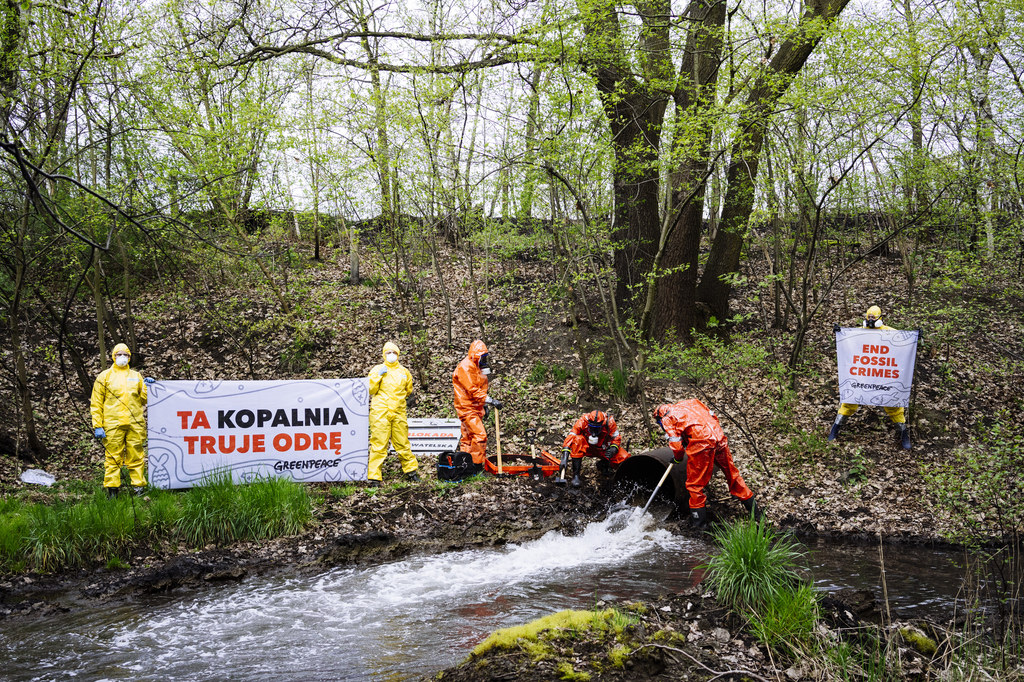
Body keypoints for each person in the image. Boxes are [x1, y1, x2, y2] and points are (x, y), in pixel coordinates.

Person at [653, 400, 761, 530]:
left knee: (694, 485)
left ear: (659, 417)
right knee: (732, 474)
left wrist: (677, 458)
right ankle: (757, 514)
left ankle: (699, 525)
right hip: (718, 437)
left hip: (701, 444)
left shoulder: (666, 417)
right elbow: (713, 417)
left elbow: (676, 446)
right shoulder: (691, 403)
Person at [829, 305, 912, 450]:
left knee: (893, 403)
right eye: (869, 318)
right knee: (850, 399)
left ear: (880, 318)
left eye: (874, 318)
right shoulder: (860, 333)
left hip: (884, 376)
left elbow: (905, 341)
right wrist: (839, 333)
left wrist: (916, 337)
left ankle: (903, 433)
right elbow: (849, 341)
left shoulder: (890, 332)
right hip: (863, 376)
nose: (871, 321)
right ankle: (835, 428)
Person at [90, 343, 153, 498]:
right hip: (113, 424)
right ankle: (112, 490)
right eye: (119, 354)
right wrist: (98, 425)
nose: (122, 357)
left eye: (125, 354)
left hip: (134, 423)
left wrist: (148, 387)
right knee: (112, 457)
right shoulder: (104, 377)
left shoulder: (136, 376)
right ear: (113, 356)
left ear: (129, 357)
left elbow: (144, 400)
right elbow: (96, 403)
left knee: (137, 456)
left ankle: (138, 487)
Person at [367, 341, 418, 486]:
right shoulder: (377, 369)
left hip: (398, 412)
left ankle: (411, 471)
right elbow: (370, 389)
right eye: (388, 352)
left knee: (402, 443)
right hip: (380, 412)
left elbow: (408, 390)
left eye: (394, 352)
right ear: (384, 354)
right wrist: (378, 376)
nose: (391, 355)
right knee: (379, 444)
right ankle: (374, 477)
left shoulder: (404, 372)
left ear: (398, 354)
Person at [452, 339, 501, 473]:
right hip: (466, 407)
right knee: (480, 436)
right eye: (482, 357)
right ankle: (477, 466)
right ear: (476, 356)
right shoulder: (466, 367)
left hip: (473, 406)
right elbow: (472, 390)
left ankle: (464, 466)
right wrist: (490, 400)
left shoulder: (478, 367)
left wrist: (483, 404)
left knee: (468, 438)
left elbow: (481, 388)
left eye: (485, 357)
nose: (484, 360)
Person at [560, 410, 630, 487]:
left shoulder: (609, 422)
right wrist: (564, 458)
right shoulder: (583, 420)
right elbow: (571, 436)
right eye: (592, 428)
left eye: (596, 429)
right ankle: (576, 475)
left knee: (624, 458)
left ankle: (605, 465)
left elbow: (616, 437)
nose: (594, 432)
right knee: (577, 440)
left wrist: (613, 448)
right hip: (587, 448)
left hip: (604, 449)